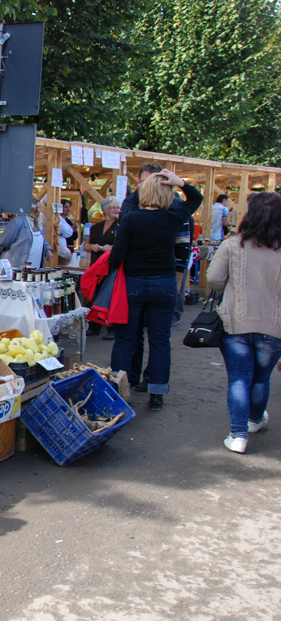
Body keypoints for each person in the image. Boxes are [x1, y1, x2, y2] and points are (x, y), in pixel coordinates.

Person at [108, 170, 203, 412]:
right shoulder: (174, 217)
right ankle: (157, 393)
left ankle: (118, 390)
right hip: (164, 284)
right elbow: (195, 199)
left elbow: (117, 256)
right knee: (160, 340)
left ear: (143, 192)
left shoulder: (130, 219)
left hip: (133, 284)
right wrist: (180, 181)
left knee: (125, 339)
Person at [206, 191, 281, 454]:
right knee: (261, 378)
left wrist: (233, 288)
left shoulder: (233, 244)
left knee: (238, 379)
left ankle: (237, 436)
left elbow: (214, 278)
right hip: (274, 327)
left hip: (235, 323)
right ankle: (253, 421)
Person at [119, 161, 164, 391]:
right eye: (149, 181)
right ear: (139, 182)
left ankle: (128, 386)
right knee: (135, 335)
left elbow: (119, 248)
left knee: (145, 338)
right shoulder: (130, 204)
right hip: (146, 279)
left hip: (138, 279)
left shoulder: (172, 208)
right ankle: (132, 379)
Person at [84, 196, 121, 339]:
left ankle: (112, 328)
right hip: (97, 267)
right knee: (95, 294)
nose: (117, 210)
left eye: (118, 207)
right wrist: (93, 247)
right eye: (114, 207)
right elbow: (86, 246)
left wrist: (112, 247)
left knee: (111, 296)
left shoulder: (121, 226)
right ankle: (95, 326)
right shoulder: (96, 228)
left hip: (112, 266)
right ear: (105, 210)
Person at [0, 199, 54, 270]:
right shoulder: (18, 221)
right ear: (31, 208)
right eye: (38, 207)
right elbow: (4, 241)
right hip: (17, 267)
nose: (40, 210)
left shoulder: (36, 223)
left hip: (34, 268)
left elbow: (41, 239)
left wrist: (48, 249)